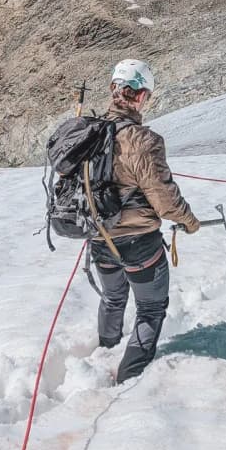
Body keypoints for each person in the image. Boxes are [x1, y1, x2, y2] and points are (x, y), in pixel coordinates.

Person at [92, 58, 200, 383]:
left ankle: (105, 352)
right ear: (140, 96)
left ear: (114, 89)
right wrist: (190, 222)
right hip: (139, 245)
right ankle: (129, 379)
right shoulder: (144, 141)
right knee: (150, 310)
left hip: (98, 239)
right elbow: (165, 201)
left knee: (112, 297)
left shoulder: (90, 132)